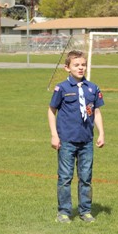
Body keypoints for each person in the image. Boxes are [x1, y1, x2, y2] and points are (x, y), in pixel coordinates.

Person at [48, 50, 105, 223]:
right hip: (66, 140)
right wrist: (54, 135)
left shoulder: (92, 88)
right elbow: (52, 111)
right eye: (76, 65)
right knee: (65, 177)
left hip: (86, 140)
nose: (81, 68)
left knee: (86, 177)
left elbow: (96, 111)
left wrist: (101, 133)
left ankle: (85, 211)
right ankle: (64, 212)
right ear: (67, 68)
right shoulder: (62, 88)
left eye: (83, 65)